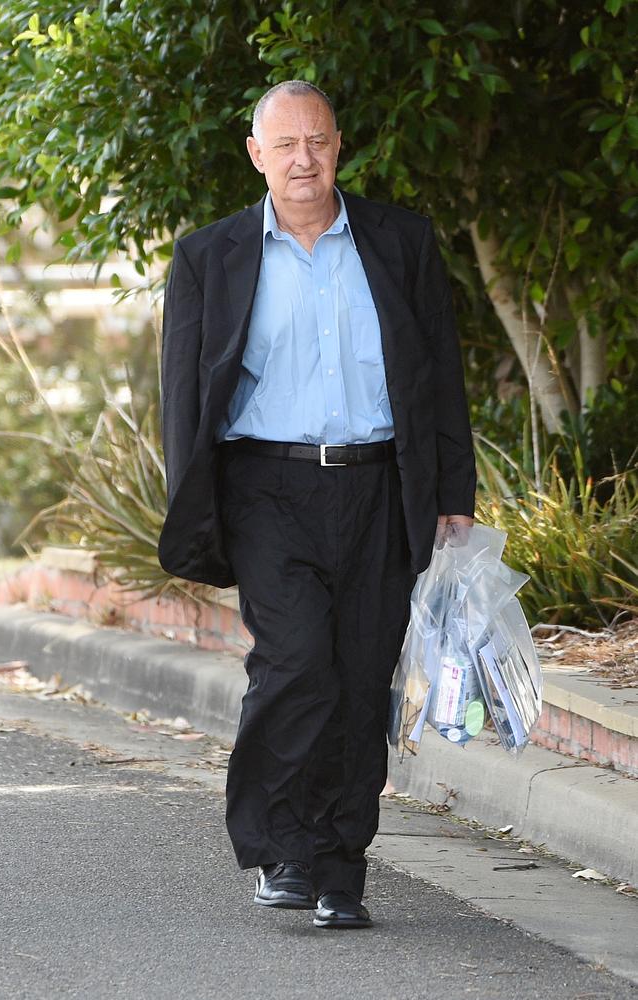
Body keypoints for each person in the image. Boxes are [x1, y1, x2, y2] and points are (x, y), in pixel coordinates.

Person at [158, 80, 476, 929]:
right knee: (297, 663)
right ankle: (283, 848)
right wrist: (191, 508)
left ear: (339, 148)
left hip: (380, 484)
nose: (305, 160)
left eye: (320, 142)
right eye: (286, 145)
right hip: (266, 485)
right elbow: (183, 398)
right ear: (257, 155)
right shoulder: (208, 256)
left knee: (362, 677)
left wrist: (453, 497)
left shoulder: (401, 243)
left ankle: (342, 867)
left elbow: (439, 377)